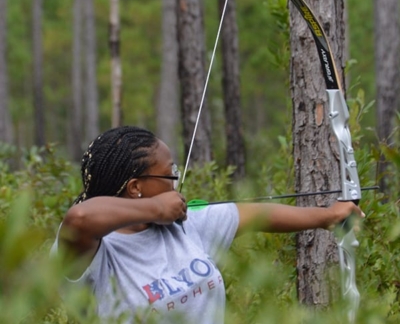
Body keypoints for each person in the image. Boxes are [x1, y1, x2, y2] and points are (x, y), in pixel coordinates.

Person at [53, 125, 364, 324]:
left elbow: (255, 215)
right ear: (136, 187)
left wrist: (328, 216)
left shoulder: (183, 227)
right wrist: (157, 208)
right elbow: (80, 218)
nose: (176, 180)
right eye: (169, 173)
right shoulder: (94, 253)